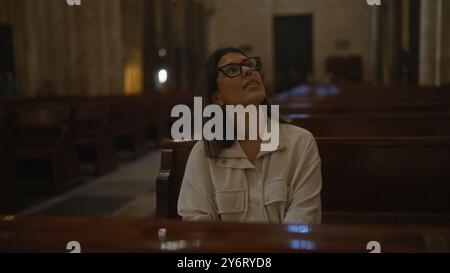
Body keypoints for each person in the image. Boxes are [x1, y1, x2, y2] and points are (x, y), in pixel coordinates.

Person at [177, 47, 322, 224]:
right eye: (232, 70)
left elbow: (303, 219)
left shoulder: (300, 143)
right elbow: (197, 227)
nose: (247, 70)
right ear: (217, 98)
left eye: (249, 65)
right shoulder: (202, 155)